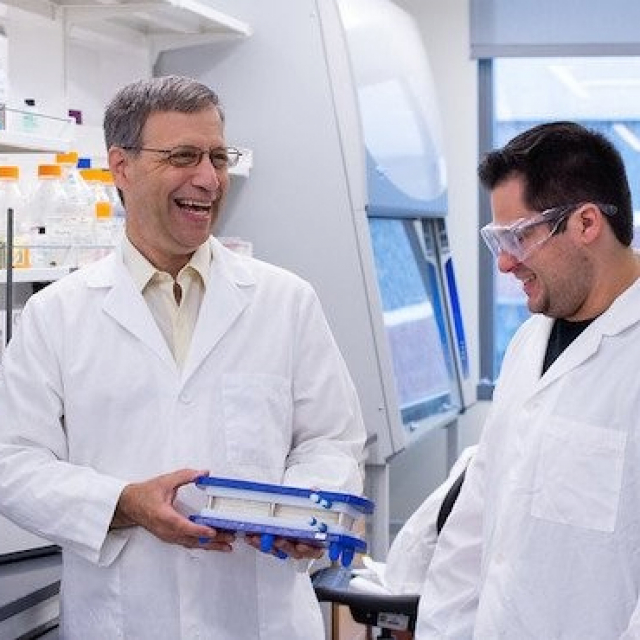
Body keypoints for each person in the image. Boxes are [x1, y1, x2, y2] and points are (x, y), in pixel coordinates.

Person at [0, 75, 367, 639]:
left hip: (260, 617)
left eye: (218, 157)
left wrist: (301, 511)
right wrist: (123, 502)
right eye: (184, 156)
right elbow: (13, 461)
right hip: (124, 620)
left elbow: (331, 438)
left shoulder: (285, 300)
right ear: (121, 167)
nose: (208, 179)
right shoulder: (58, 315)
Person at [416, 121, 640, 639]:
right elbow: (471, 535)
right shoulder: (527, 345)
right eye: (498, 239)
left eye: (519, 237)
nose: (505, 264)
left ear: (586, 223)